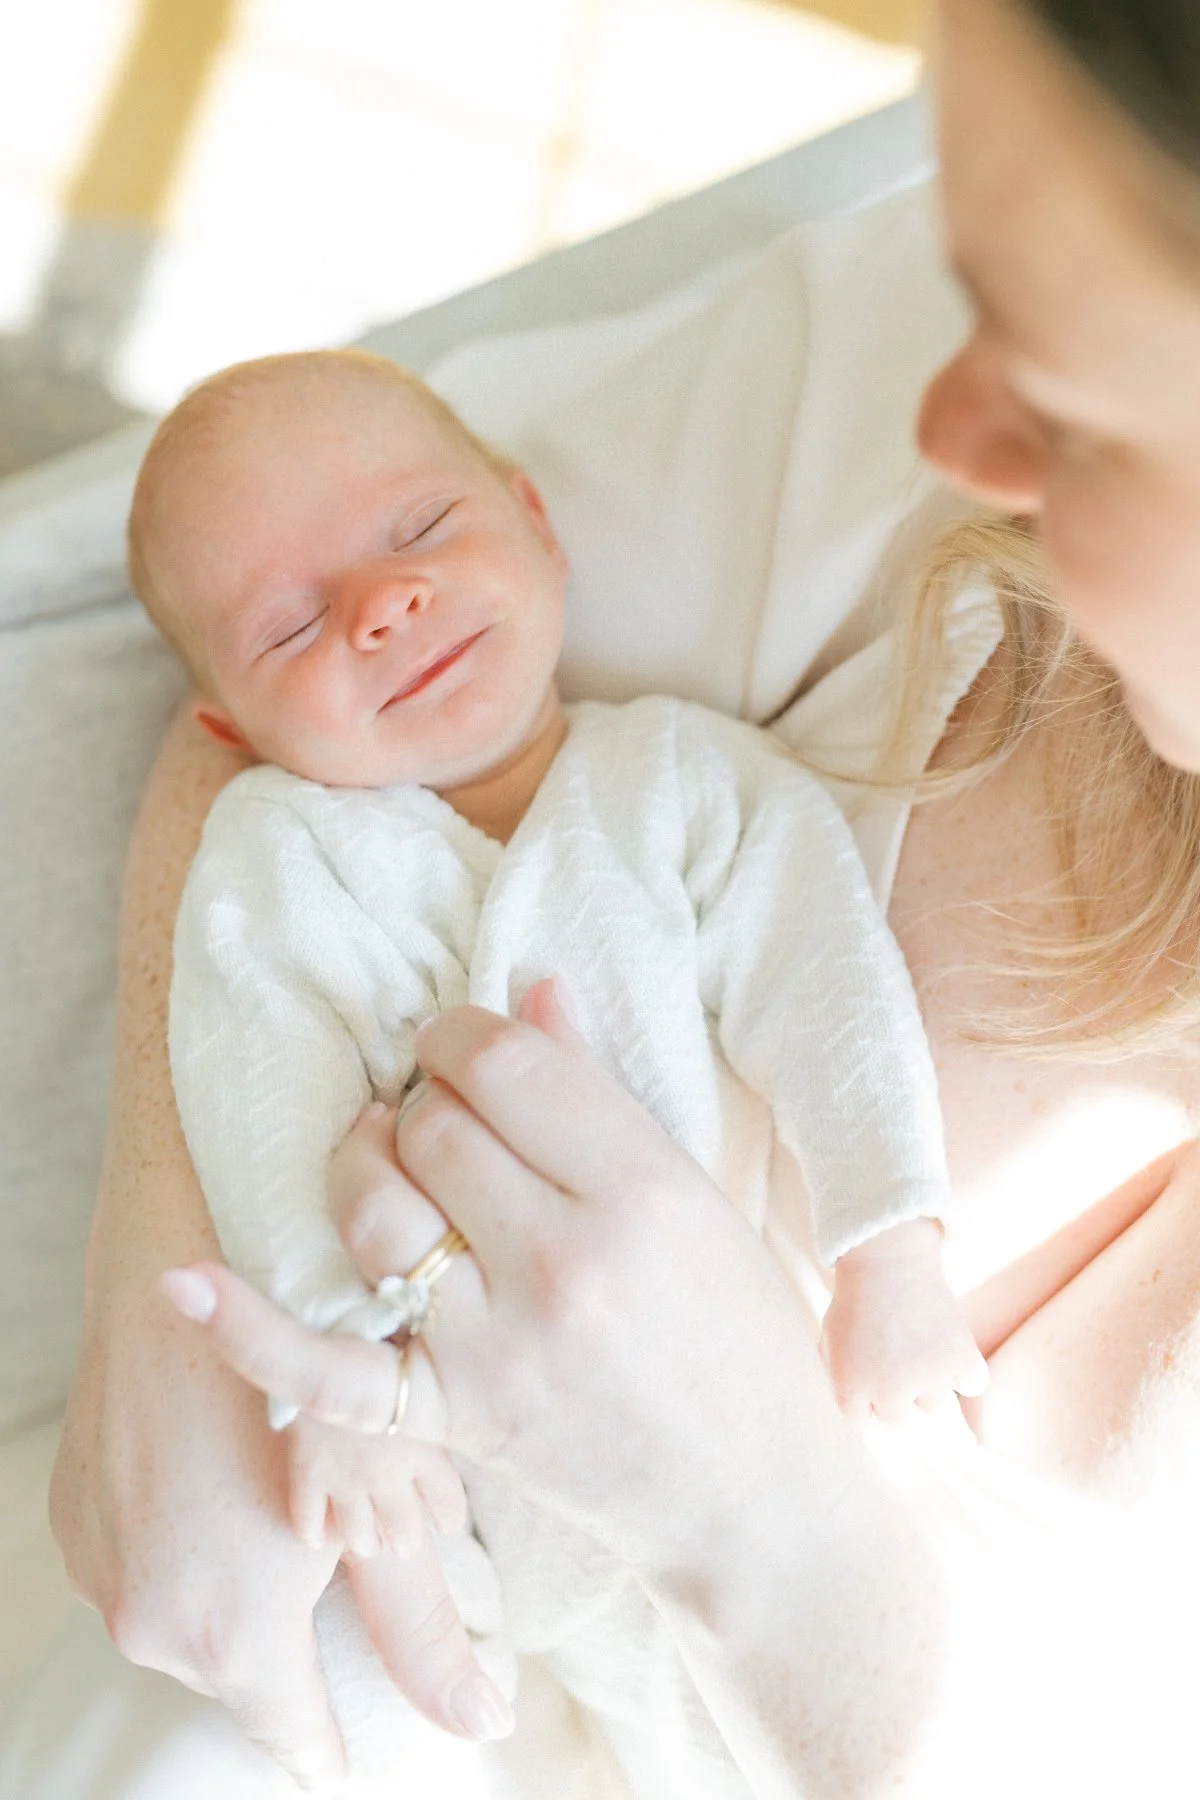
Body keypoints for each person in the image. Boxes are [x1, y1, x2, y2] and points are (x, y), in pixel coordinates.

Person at [48, 0, 1200, 1792]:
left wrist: (751, 1510)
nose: (957, 431)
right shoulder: (969, 335)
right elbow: (296, 626)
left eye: (1079, 403)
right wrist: (184, 1306)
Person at [138, 345, 978, 1791]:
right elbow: (258, 1106)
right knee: (359, 1681)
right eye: (289, 627)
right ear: (229, 731)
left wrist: (890, 1246)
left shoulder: (683, 781)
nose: (384, 603)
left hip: (706, 1418)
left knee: (714, 1742)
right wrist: (336, 1383)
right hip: (423, 1459)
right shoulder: (278, 857)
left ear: (536, 521)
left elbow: (826, 987)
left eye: (420, 533)